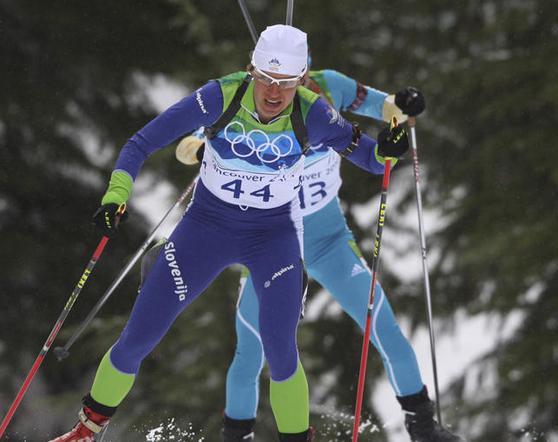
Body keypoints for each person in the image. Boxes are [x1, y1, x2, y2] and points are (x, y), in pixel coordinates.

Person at [48, 24, 414, 442]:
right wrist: (116, 195)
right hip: (205, 229)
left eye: (286, 84)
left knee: (280, 353)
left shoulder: (313, 111)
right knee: (138, 336)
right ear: (250, 71)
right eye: (266, 80)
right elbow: (140, 143)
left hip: (272, 237)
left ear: (301, 81)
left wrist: (390, 148)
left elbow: (370, 157)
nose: (274, 93)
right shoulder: (220, 96)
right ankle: (85, 431)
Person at [175, 64, 463, 441]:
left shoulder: (331, 87)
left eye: (301, 77)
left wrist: (404, 104)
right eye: (286, 80)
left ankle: (423, 428)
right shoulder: (247, 99)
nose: (297, 87)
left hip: (328, 241)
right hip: (270, 248)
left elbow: (387, 108)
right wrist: (204, 151)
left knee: (383, 325)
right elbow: (186, 146)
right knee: (250, 351)